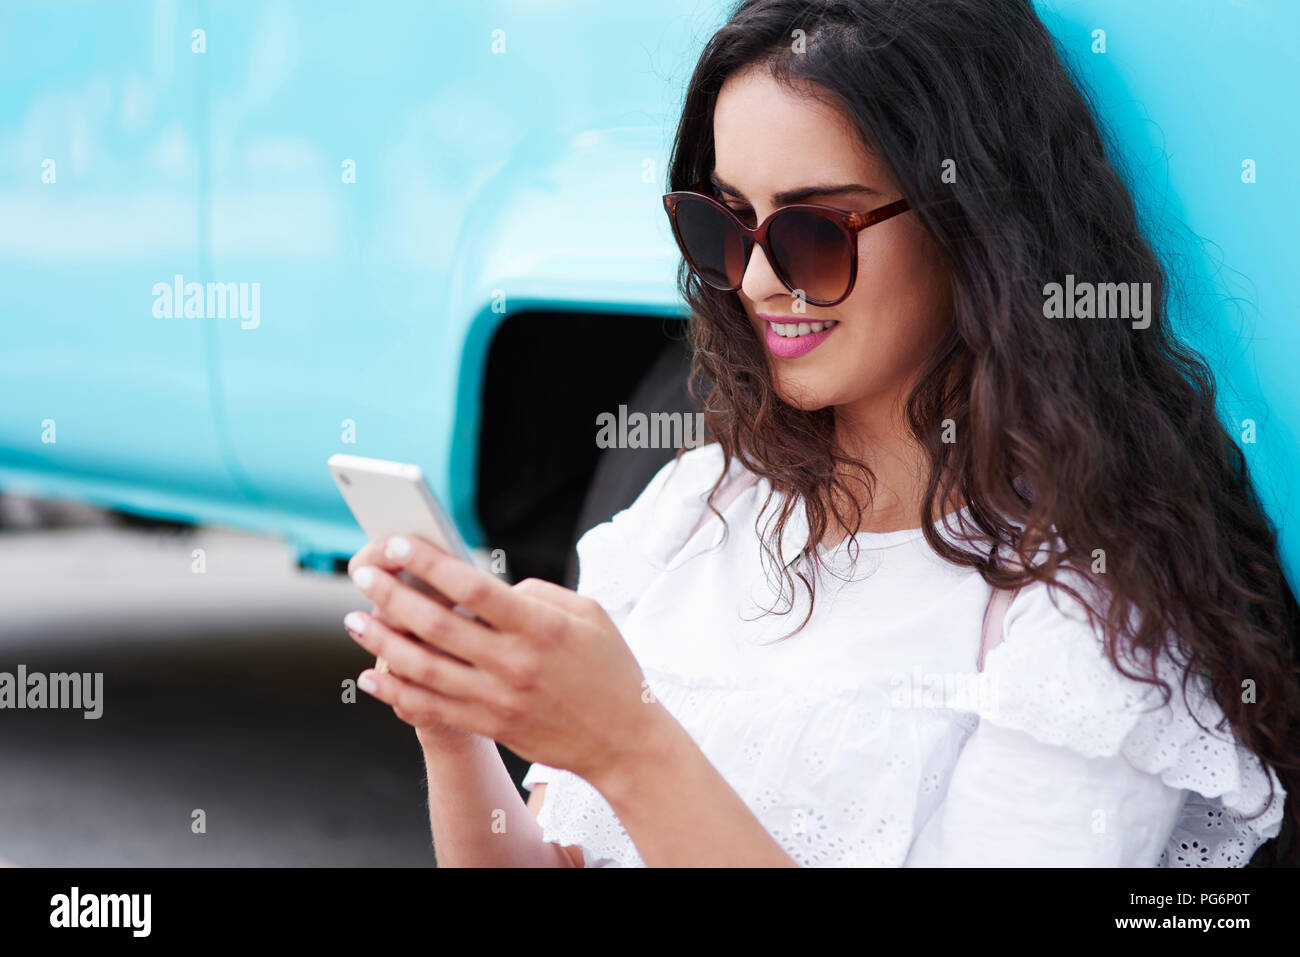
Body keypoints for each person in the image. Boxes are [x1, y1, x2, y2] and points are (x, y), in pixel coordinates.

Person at [340, 0, 1298, 866]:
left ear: (971, 224)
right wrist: (454, 726)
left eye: (814, 232)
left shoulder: (1085, 611)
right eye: (727, 224)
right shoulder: (694, 508)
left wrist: (630, 747)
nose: (758, 282)